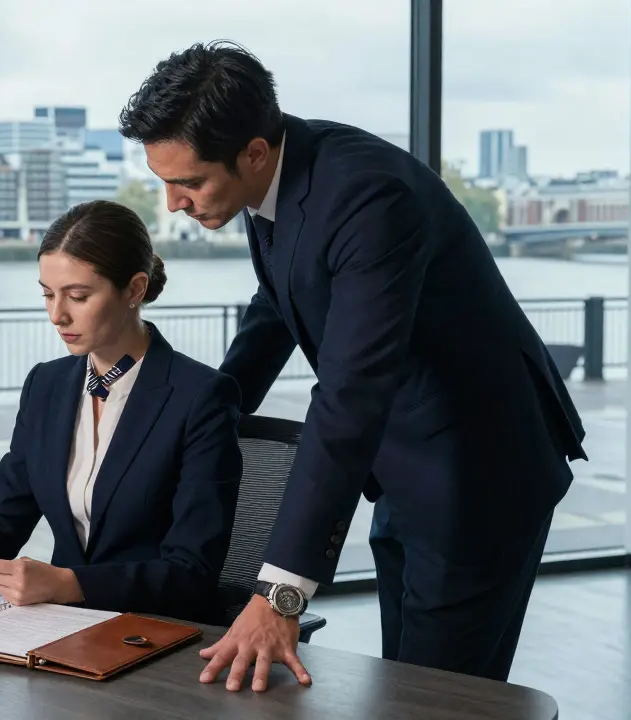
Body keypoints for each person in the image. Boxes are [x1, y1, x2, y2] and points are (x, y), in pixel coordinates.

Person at [118, 41, 587, 690]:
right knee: (406, 683)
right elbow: (279, 303)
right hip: (404, 461)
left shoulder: (369, 199)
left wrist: (280, 593)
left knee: (443, 701)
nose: (173, 204)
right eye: (163, 182)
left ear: (253, 152)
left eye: (189, 183)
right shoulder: (272, 177)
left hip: (480, 474)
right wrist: (201, 414)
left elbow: (349, 393)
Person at [0, 200, 241, 624]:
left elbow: (191, 572)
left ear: (135, 290)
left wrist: (68, 584)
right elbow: (1, 524)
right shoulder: (47, 385)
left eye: (78, 296)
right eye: (48, 294)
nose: (56, 314)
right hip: (61, 626)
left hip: (158, 629)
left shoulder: (201, 396)